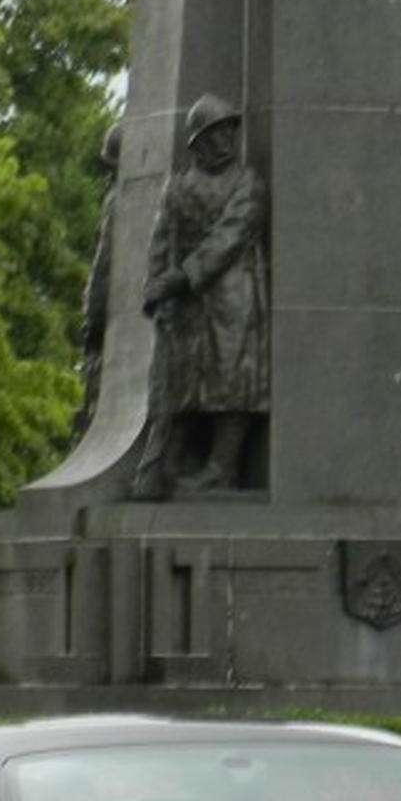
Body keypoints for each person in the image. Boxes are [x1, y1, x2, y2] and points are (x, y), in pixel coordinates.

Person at [129, 94, 270, 500]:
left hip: (234, 291)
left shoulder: (248, 183)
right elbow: (161, 239)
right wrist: (154, 291)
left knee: (232, 376)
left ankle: (222, 468)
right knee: (188, 379)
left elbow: (231, 235)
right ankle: (173, 460)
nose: (225, 141)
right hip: (187, 301)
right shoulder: (177, 187)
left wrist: (179, 277)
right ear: (198, 142)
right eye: (215, 134)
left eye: (229, 132)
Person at [72, 120, 124, 442]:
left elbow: (103, 268)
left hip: (112, 338)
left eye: (111, 168)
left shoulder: (117, 202)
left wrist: (92, 320)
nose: (107, 177)